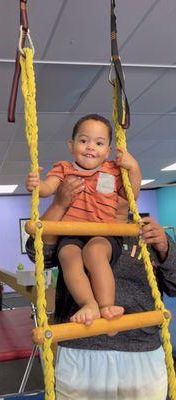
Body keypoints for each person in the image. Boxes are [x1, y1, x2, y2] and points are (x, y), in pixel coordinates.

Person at [25, 178, 176, 400]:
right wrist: (59, 204)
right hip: (82, 344)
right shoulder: (73, 225)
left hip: (141, 346)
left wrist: (164, 247)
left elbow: (174, 286)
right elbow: (37, 253)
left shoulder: (144, 230)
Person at [26, 114, 141, 325]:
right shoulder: (63, 168)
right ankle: (89, 303)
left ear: (107, 151)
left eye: (98, 143)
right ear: (71, 146)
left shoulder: (113, 171)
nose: (90, 147)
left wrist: (134, 168)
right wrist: (37, 184)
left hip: (103, 234)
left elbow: (131, 196)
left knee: (94, 251)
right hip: (72, 233)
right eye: (83, 141)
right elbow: (47, 189)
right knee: (68, 255)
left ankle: (107, 306)